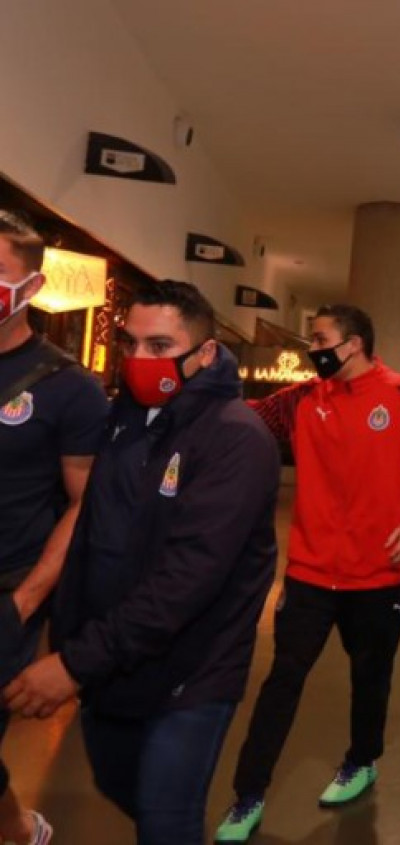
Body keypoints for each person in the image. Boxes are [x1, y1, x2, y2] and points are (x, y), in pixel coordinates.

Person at [4, 280, 279, 845]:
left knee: (164, 819)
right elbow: (94, 529)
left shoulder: (237, 438)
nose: (139, 358)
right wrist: (71, 637)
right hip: (115, 662)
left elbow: (188, 578)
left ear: (205, 353)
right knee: (117, 782)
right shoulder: (125, 421)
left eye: (160, 346)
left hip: (193, 671)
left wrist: (75, 663)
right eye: (130, 343)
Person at [214, 304, 400, 843]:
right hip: (308, 576)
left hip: (380, 578)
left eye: (321, 340)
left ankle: (362, 761)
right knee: (282, 682)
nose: (313, 349)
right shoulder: (301, 400)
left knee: (371, 678)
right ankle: (248, 795)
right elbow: (242, 419)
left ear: (353, 345)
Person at [0, 211, 107, 845]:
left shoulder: (69, 388)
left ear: (32, 287)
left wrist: (25, 601)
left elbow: (83, 503)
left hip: (7, 586)